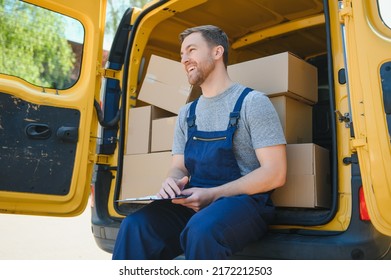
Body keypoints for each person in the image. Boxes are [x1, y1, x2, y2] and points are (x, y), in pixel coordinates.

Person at [112, 25, 287, 260]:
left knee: (202, 229)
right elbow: (179, 166)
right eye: (182, 55)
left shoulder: (252, 103)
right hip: (194, 200)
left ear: (217, 52)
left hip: (244, 203)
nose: (184, 60)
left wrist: (213, 194)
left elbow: (275, 173)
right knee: (136, 226)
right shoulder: (187, 113)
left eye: (191, 50)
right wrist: (171, 182)